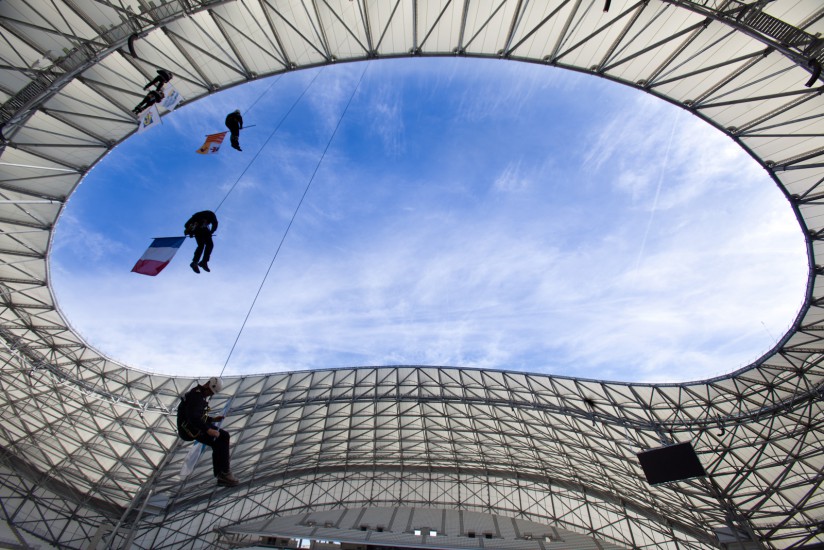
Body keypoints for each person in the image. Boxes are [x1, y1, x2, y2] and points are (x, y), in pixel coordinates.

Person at [177, 377, 239, 487]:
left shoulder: (198, 394)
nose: (210, 394)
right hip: (191, 428)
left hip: (192, 426)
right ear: (207, 385)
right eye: (210, 392)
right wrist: (208, 430)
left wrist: (212, 420)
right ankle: (224, 473)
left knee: (220, 440)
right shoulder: (196, 396)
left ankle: (221, 474)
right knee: (222, 437)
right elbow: (193, 417)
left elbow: (198, 415)